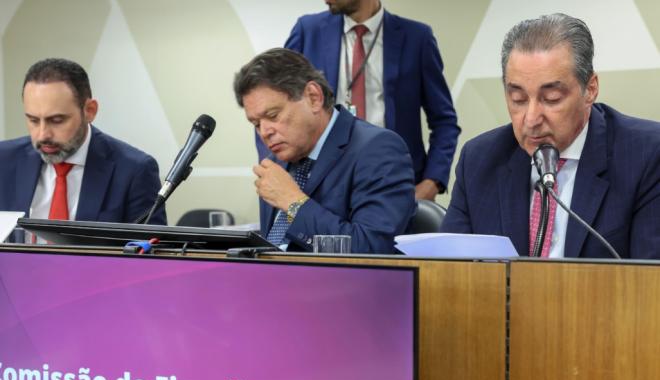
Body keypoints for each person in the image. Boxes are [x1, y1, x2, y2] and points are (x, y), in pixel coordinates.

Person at [441, 13, 660, 259]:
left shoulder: (646, 155)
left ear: (590, 89)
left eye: (551, 99)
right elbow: (449, 268)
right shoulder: (479, 160)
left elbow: (650, 276)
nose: (531, 119)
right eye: (518, 99)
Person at [264, 0, 459, 200]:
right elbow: (272, 102)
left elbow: (444, 121)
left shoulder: (417, 38)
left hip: (395, 183)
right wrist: (275, 169)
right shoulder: (308, 31)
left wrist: (431, 183)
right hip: (321, 184)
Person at [234, 48, 415, 254]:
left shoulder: (378, 149)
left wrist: (293, 202)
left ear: (313, 97)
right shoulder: (277, 163)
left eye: (273, 115)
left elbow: (370, 249)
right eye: (256, 124)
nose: (265, 132)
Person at [0, 58, 166, 224]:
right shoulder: (4, 161)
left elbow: (149, 241)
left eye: (57, 120)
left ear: (89, 111)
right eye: (33, 120)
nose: (43, 135)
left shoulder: (134, 171)